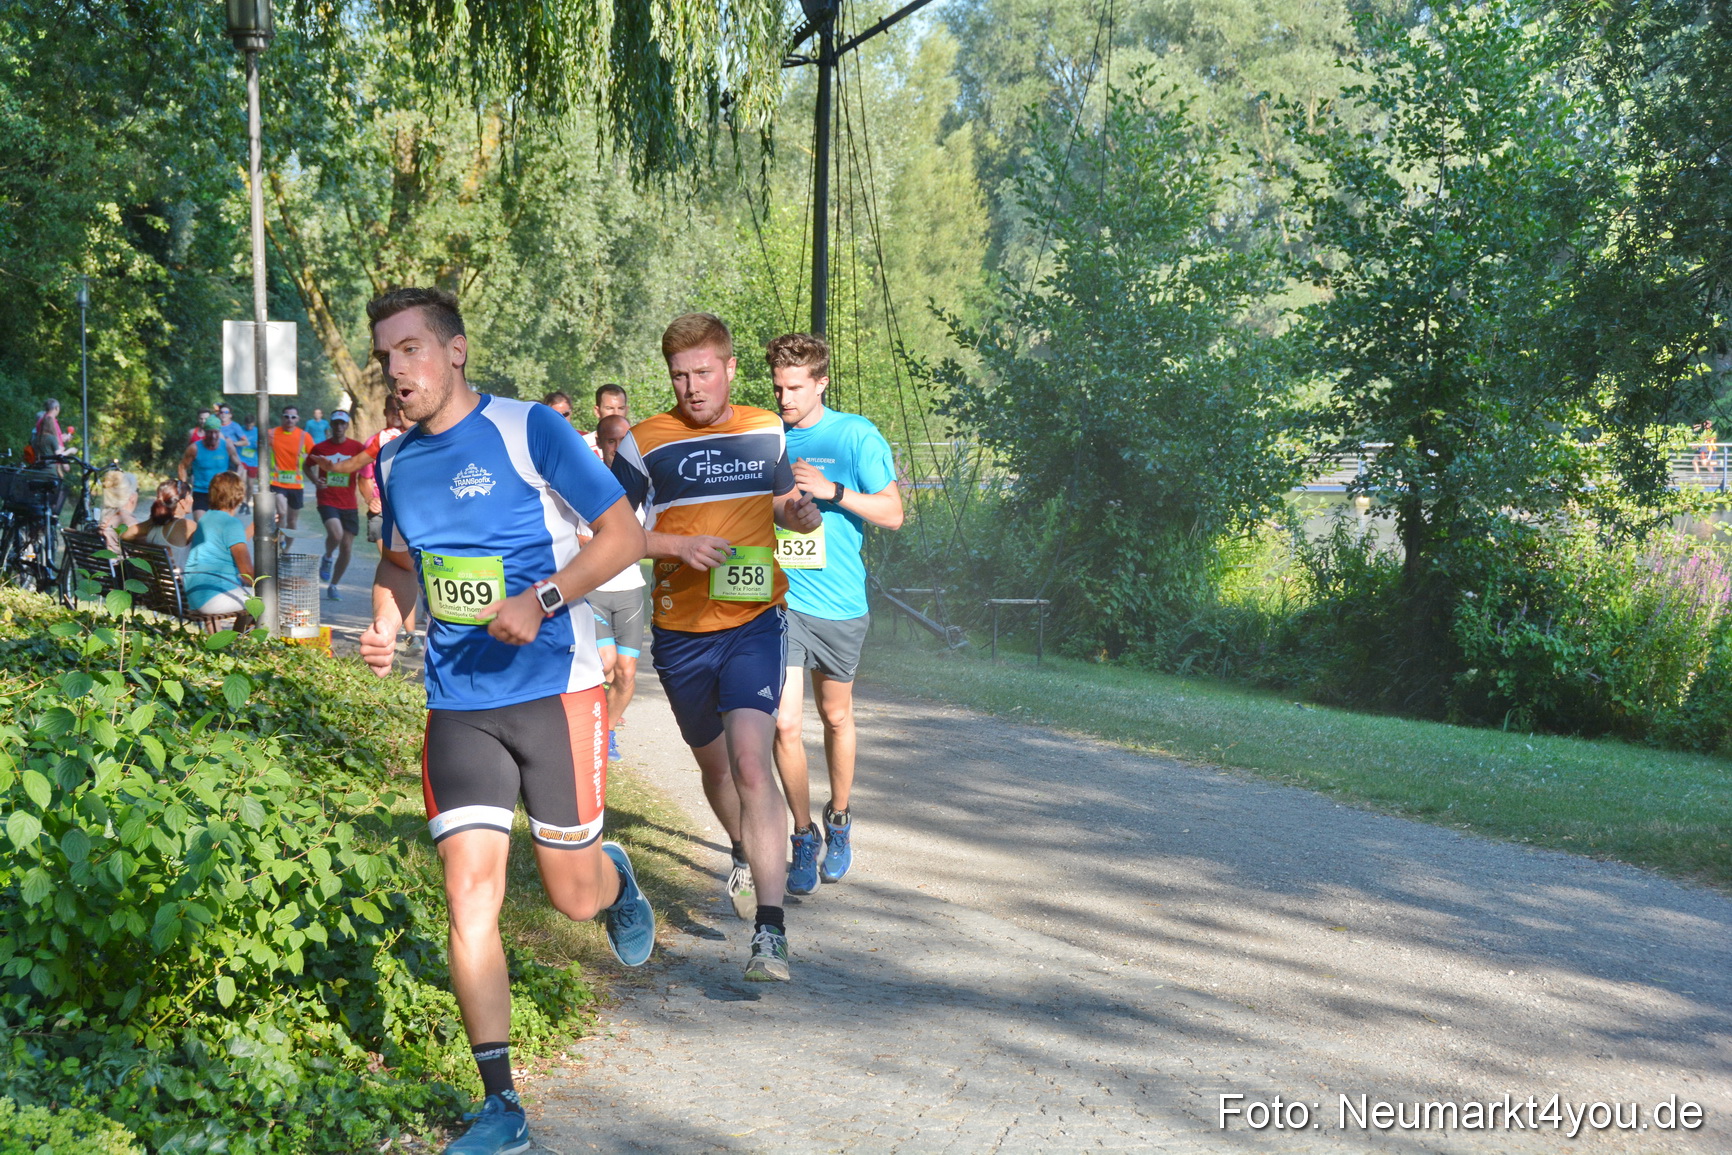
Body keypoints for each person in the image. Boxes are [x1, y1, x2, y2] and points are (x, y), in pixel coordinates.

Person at [356, 287, 653, 1155]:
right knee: (468, 897)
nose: (396, 369)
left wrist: (543, 597)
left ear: (454, 350)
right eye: (385, 356)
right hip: (458, 704)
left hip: (556, 691)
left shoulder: (531, 430)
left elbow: (623, 535)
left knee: (570, 896)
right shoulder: (395, 463)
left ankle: (612, 878)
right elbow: (398, 563)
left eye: (411, 349)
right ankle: (502, 1106)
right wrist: (385, 620)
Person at [610, 313, 821, 982]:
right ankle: (740, 847)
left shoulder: (765, 428)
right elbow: (609, 535)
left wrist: (800, 513)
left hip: (755, 619)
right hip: (681, 634)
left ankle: (770, 931)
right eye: (680, 375)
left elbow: (781, 501)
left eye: (703, 372)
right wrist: (675, 545)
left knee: (753, 763)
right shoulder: (644, 443)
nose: (692, 386)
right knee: (719, 770)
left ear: (729, 368)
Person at [766, 333, 903, 895]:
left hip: (840, 603)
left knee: (836, 717)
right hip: (781, 601)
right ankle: (802, 835)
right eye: (778, 387)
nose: (784, 399)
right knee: (783, 722)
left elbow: (893, 513)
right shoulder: (766, 437)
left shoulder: (854, 434)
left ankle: (839, 820)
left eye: (795, 388)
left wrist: (833, 490)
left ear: (821, 382)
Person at [589, 414, 646, 761]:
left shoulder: (645, 485)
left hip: (630, 591)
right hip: (594, 590)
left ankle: (607, 732)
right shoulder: (586, 483)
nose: (617, 447)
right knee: (604, 662)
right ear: (600, 443)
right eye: (611, 441)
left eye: (624, 441)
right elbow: (579, 538)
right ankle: (591, 726)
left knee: (625, 672)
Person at [308, 410, 365, 601]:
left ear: (347, 425)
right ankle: (327, 557)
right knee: (336, 534)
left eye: (342, 423)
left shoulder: (357, 447)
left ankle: (334, 585)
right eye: (336, 423)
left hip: (349, 502)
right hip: (327, 498)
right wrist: (315, 480)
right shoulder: (320, 447)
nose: (339, 427)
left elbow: (366, 468)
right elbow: (307, 465)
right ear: (330, 425)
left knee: (347, 547)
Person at [181, 471, 255, 618]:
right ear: (239, 495)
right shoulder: (231, 523)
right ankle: (248, 634)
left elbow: (227, 545)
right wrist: (274, 582)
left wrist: (254, 526)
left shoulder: (206, 518)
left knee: (255, 594)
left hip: (194, 595)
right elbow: (248, 574)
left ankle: (238, 634)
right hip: (214, 596)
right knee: (268, 596)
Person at [124, 480, 197, 571]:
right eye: (189, 496)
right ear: (182, 502)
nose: (192, 500)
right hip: (178, 579)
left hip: (154, 578)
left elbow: (123, 535)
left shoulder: (152, 523)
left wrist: (149, 546)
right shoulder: (187, 525)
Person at [178, 415, 244, 516]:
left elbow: (239, 465)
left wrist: (236, 478)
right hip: (201, 492)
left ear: (219, 432)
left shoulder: (227, 446)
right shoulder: (194, 448)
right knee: (201, 524)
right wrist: (184, 487)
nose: (213, 436)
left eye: (216, 432)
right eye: (210, 432)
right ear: (205, 432)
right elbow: (182, 466)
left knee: (221, 523)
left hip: (221, 492)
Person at [268, 406, 316, 529]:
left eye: (293, 417)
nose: (290, 419)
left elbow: (314, 456)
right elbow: (257, 447)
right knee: (282, 513)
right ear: (282, 418)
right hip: (277, 482)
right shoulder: (271, 433)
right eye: (287, 416)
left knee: (292, 521)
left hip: (296, 484)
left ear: (297, 419)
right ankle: (278, 537)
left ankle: (287, 542)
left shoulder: (304, 436)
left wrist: (308, 460)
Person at [584, 384, 628, 458]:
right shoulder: (582, 446)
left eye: (621, 408)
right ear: (597, 411)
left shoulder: (639, 445)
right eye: (609, 408)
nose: (616, 413)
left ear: (626, 410)